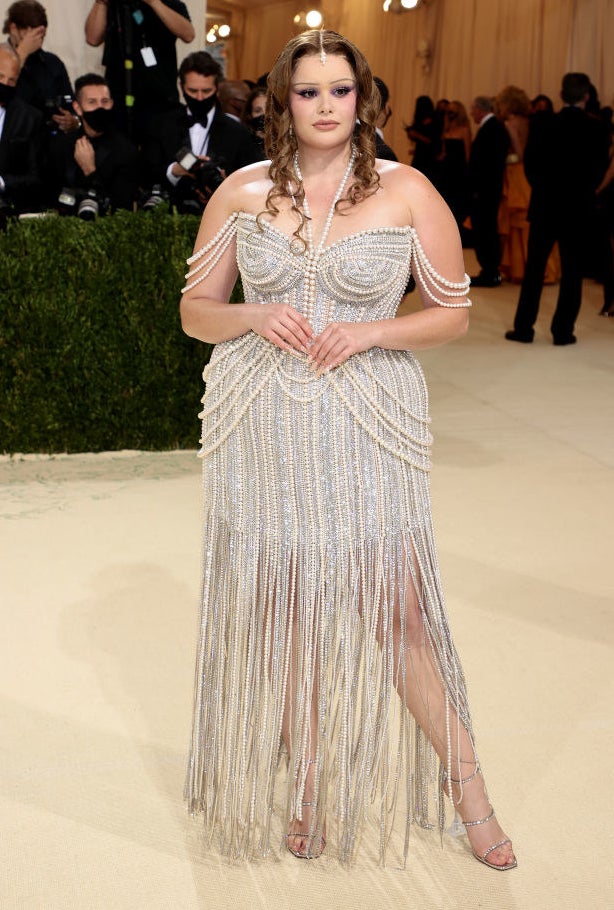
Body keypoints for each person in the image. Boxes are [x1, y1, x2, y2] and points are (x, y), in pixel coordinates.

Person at [180, 29, 517, 872]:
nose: (325, 106)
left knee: (397, 610)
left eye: (340, 90)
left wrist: (372, 330)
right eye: (307, 92)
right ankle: (308, 790)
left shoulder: (408, 193)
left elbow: (452, 312)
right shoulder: (242, 192)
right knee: (287, 608)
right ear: (279, 102)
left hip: (368, 421)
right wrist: (254, 315)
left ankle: (469, 791)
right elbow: (195, 313)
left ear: (363, 98)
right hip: (264, 425)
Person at [505, 72, 610, 344]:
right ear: (587, 96)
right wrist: (587, 193)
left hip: (545, 206)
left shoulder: (542, 123)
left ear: (562, 95)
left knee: (534, 269)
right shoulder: (598, 128)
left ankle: (524, 329)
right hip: (579, 208)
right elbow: (600, 169)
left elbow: (530, 165)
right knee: (572, 272)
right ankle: (563, 332)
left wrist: (542, 190)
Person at [142, 51, 263, 214]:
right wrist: (174, 171)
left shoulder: (237, 133)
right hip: (168, 219)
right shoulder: (161, 126)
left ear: (218, 89)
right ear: (181, 87)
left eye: (206, 91)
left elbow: (252, 185)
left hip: (220, 219)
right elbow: (146, 173)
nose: (199, 98)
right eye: (192, 91)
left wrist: (226, 184)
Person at [84, 0, 194, 141]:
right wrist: (101, 3)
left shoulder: (171, 4)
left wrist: (154, 2)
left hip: (159, 98)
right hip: (119, 98)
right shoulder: (114, 6)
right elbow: (92, 39)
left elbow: (188, 35)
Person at [46, 72, 138, 214]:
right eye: (92, 102)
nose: (100, 107)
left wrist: (90, 170)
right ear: (77, 108)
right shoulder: (60, 145)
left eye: (105, 101)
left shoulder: (126, 151)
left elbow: (122, 209)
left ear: (111, 104)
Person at [2, 0, 77, 132]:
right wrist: (21, 54)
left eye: (40, 35)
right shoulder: (2, 57)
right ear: (14, 28)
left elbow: (70, 102)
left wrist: (73, 121)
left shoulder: (52, 63)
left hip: (47, 138)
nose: (36, 39)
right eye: (30, 32)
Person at [468, 95, 509, 286]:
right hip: (489, 188)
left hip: (485, 190)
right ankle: (490, 270)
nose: (471, 113)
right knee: (486, 229)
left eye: (473, 109)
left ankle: (490, 271)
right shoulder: (495, 127)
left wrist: (476, 188)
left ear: (480, 109)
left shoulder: (491, 128)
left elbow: (486, 163)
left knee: (485, 230)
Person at [0, 41, 43, 221]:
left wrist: (2, 182)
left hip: (9, 212)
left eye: (11, 80)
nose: (5, 84)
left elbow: (37, 176)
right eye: (0, 77)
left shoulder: (30, 118)